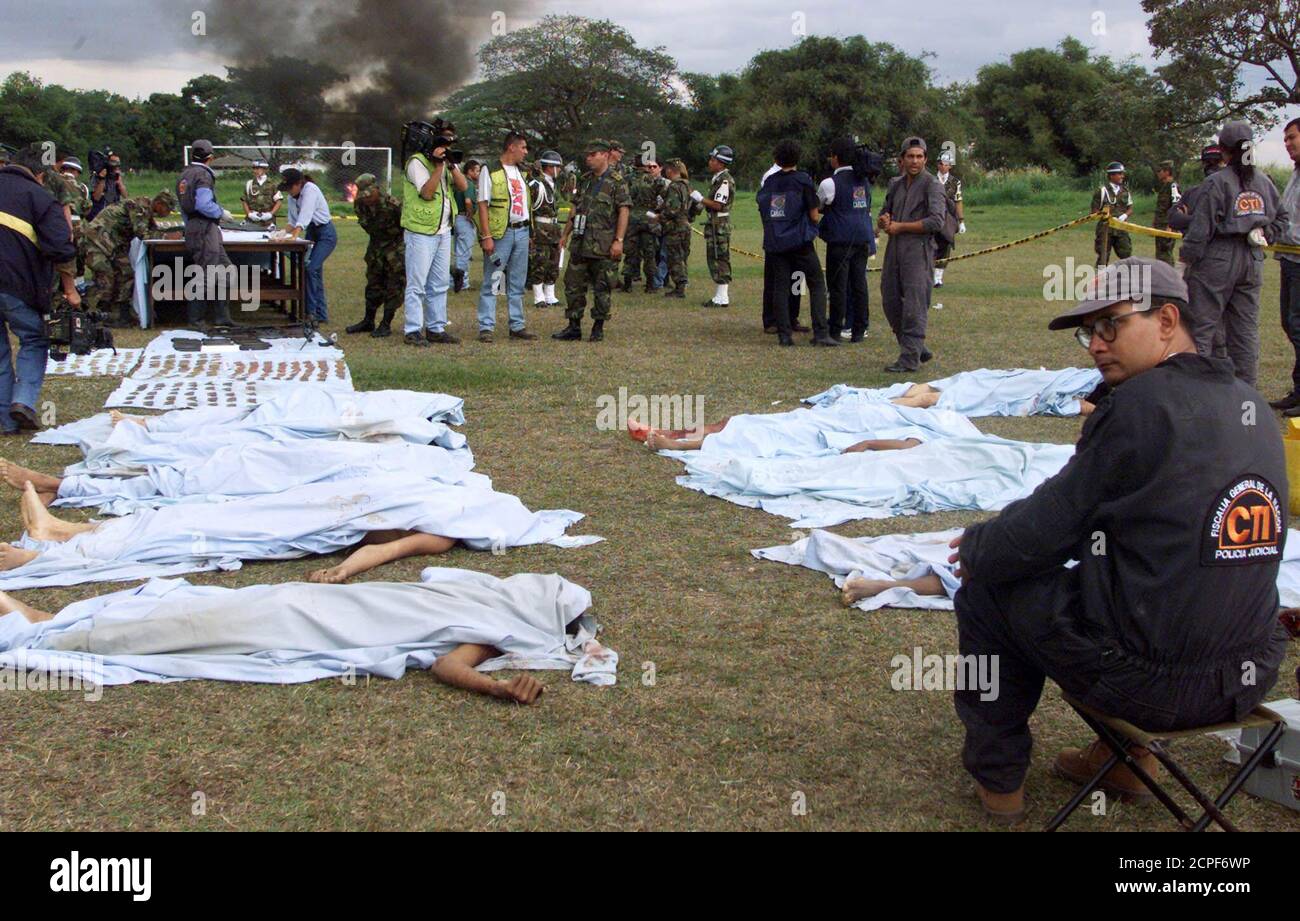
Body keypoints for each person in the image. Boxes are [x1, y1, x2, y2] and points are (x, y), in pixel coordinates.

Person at [948, 257, 1289, 823]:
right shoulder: (1248, 402)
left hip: (1155, 686)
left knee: (987, 589)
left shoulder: (1137, 407)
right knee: (1127, 592)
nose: (1095, 344)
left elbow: (1046, 529)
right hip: (1248, 671)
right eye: (1089, 330)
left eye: (1112, 324)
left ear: (1166, 320)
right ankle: (1124, 760)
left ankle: (999, 778)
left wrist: (981, 547)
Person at [1180, 121, 1289, 388]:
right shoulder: (1264, 182)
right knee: (1245, 332)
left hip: (1218, 256)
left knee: (1202, 327)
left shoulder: (1216, 182)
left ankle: (1200, 390)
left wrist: (1185, 261)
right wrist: (1266, 234)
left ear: (1223, 150)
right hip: (1252, 259)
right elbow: (1283, 218)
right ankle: (1245, 397)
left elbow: (1200, 229)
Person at [0, 143, 79, 435]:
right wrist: (70, 290)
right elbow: (62, 247)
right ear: (41, 175)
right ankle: (22, 401)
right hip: (18, 285)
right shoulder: (40, 197)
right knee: (34, 340)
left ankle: (5, 422)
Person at [758, 139, 835, 348]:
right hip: (799, 241)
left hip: (776, 241)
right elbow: (814, 213)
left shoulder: (769, 181)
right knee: (817, 283)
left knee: (780, 287)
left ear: (776, 158)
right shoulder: (803, 180)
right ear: (798, 158)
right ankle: (820, 332)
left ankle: (784, 335)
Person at [552, 139, 630, 343]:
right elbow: (574, 209)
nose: (588, 158)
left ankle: (598, 327)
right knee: (573, 285)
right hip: (580, 242)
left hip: (603, 245)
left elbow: (623, 210)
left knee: (603, 287)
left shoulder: (617, 182)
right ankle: (574, 326)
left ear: (605, 154)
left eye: (592, 154)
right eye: (587, 155)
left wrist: (619, 240)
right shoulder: (585, 180)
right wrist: (565, 234)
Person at [878, 136, 945, 370]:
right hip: (894, 248)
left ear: (925, 159)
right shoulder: (895, 184)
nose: (915, 161)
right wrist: (884, 220)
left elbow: (937, 221)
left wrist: (902, 227)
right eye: (910, 156)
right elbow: (885, 211)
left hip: (918, 249)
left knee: (915, 305)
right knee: (889, 299)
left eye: (919, 156)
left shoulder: (932, 184)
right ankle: (915, 347)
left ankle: (909, 359)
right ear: (902, 159)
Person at [400, 129, 467, 347]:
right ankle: (412, 329)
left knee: (439, 283)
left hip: (443, 230)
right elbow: (427, 193)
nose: (446, 151)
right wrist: (438, 167)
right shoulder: (416, 163)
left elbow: (464, 186)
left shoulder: (446, 164)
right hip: (420, 231)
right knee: (417, 283)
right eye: (443, 147)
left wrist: (451, 165)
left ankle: (435, 327)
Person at [475, 131, 538, 343]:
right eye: (523, 147)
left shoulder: (523, 172)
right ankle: (486, 326)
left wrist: (529, 231)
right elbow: (482, 204)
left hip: (521, 231)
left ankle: (517, 325)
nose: (525, 152)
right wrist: (486, 235)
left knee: (517, 281)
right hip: (501, 232)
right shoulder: (490, 170)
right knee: (493, 279)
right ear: (512, 147)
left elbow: (526, 204)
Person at [82, 190, 175, 328]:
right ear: (159, 204)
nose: (167, 213)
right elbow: (143, 233)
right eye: (167, 209)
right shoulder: (140, 207)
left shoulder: (146, 210)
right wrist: (167, 237)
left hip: (113, 245)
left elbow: (152, 229)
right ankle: (86, 313)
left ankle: (120, 314)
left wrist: (169, 233)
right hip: (96, 242)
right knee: (105, 278)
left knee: (126, 274)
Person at [818, 137, 875, 342]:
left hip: (840, 240)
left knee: (838, 286)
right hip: (862, 237)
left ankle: (835, 329)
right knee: (859, 283)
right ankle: (859, 329)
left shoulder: (829, 183)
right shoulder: (864, 180)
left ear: (835, 158)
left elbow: (820, 205)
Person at [175, 139, 236, 328]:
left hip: (196, 226)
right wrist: (220, 212)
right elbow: (203, 204)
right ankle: (196, 320)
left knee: (226, 270)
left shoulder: (184, 174)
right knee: (206, 273)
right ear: (210, 158)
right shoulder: (203, 175)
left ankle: (222, 317)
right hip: (204, 227)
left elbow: (185, 207)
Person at [346, 172, 404, 338]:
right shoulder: (359, 204)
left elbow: (406, 228)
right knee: (373, 284)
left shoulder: (393, 205)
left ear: (377, 189)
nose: (367, 198)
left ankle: (385, 324)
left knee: (394, 286)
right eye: (364, 195)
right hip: (376, 247)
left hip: (396, 248)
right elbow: (368, 227)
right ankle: (368, 320)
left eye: (369, 194)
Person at [1269, 118, 1300, 416]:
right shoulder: (1295, 173)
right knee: (1290, 324)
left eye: (1292, 138)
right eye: (1286, 139)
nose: (1287, 144)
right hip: (1289, 259)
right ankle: (1298, 390)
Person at [279, 168, 335, 325]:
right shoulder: (292, 198)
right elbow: (292, 221)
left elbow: (305, 215)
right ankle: (320, 313)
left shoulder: (311, 189)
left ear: (299, 184)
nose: (288, 192)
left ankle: (311, 312)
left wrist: (295, 236)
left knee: (310, 268)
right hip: (311, 231)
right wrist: (281, 233)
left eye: (290, 188)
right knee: (312, 271)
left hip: (325, 233)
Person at [759, 160, 805, 335]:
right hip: (777, 237)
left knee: (797, 278)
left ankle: (793, 317)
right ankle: (771, 319)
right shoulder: (770, 177)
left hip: (795, 236)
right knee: (774, 280)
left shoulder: (800, 177)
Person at [700, 145, 736, 308]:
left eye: (713, 160)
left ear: (721, 163)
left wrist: (700, 199)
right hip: (715, 223)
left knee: (719, 257)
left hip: (719, 224)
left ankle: (722, 297)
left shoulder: (724, 180)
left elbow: (718, 205)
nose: (710, 162)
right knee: (715, 256)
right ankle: (720, 295)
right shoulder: (718, 178)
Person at [527, 150, 564, 308]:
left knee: (553, 262)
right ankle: (538, 297)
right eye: (558, 167)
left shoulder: (552, 184)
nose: (560, 170)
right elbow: (528, 210)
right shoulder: (536, 185)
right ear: (550, 167)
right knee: (540, 262)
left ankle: (550, 295)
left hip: (554, 227)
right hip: (541, 227)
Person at [620, 158, 662, 292]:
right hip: (649, 218)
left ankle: (627, 284)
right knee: (649, 252)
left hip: (631, 217)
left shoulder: (626, 179)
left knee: (630, 252)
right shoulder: (654, 180)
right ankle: (650, 285)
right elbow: (664, 196)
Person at [1166, 145, 1224, 235]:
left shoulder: (1235, 192)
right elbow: (1173, 218)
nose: (1211, 167)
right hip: (1196, 245)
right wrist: (1200, 220)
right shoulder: (1192, 193)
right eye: (1208, 163)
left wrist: (1190, 219)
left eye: (1216, 162)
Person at [659, 159, 694, 299]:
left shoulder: (674, 187)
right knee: (683, 256)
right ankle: (683, 284)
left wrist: (660, 215)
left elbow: (672, 209)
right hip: (685, 224)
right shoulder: (687, 185)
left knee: (675, 257)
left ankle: (679, 287)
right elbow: (697, 206)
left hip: (675, 227)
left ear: (670, 170)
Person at [933, 149, 964, 291]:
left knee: (945, 245)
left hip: (948, 218)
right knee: (930, 244)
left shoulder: (955, 182)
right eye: (940, 163)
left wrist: (961, 220)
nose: (943, 166)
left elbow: (958, 201)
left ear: (950, 166)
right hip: (932, 216)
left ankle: (938, 277)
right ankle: (928, 273)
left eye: (946, 164)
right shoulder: (931, 179)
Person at [1091, 162, 1133, 267]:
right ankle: (1100, 280)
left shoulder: (1125, 191)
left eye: (1122, 174)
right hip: (1106, 229)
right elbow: (1094, 211)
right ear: (1111, 175)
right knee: (1103, 256)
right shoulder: (1102, 191)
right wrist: (1103, 215)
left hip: (1121, 228)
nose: (1122, 176)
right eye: (1119, 174)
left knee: (1126, 254)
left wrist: (1125, 216)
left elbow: (1130, 208)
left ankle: (1127, 279)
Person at [451, 159, 481, 293]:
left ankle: (454, 281)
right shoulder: (468, 183)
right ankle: (462, 282)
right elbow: (468, 201)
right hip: (464, 218)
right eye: (477, 171)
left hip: (455, 218)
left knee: (458, 251)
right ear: (469, 171)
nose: (479, 173)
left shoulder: (457, 183)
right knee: (465, 252)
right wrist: (470, 215)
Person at [1152, 160, 1181, 266]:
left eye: (1160, 171)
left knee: (1166, 254)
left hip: (1167, 226)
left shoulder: (1172, 186)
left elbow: (1176, 206)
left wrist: (1170, 225)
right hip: (1160, 225)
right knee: (1160, 254)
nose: (1158, 173)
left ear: (1167, 172)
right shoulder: (1164, 187)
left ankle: (1169, 278)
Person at [88, 150, 126, 221]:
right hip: (99, 214)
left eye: (118, 162)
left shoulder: (117, 176)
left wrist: (120, 183)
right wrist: (102, 179)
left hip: (114, 213)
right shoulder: (96, 176)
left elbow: (125, 196)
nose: (116, 165)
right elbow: (96, 198)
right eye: (113, 162)